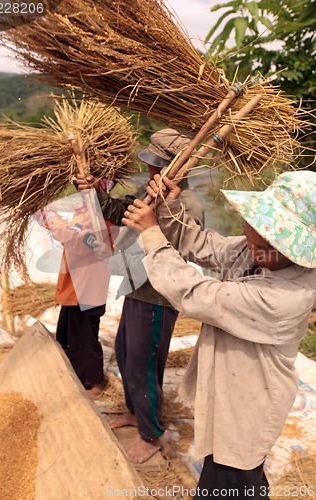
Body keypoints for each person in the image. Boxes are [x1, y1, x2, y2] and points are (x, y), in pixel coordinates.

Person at [121, 169, 316, 497]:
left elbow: (194, 292)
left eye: (259, 242)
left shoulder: (283, 297)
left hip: (249, 404)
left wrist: (152, 234)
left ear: (288, 248)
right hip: (231, 389)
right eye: (248, 231)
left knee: (229, 478)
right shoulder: (261, 253)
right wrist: (170, 209)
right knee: (243, 478)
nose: (249, 245)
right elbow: (203, 244)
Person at [76, 128, 204, 463]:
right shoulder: (146, 194)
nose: (149, 172)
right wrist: (91, 193)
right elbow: (118, 210)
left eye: (156, 167)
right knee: (125, 352)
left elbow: (179, 252)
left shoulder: (185, 206)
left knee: (143, 364)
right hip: (136, 288)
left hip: (158, 299)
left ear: (174, 169)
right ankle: (135, 412)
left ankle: (151, 433)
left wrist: (157, 214)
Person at [35, 184, 117, 399]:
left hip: (87, 288)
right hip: (75, 287)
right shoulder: (82, 210)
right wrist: (43, 214)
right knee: (68, 336)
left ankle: (93, 384)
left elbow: (80, 243)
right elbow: (68, 232)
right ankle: (74, 377)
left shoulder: (99, 214)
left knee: (84, 338)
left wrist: (51, 217)